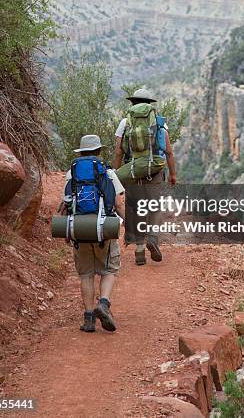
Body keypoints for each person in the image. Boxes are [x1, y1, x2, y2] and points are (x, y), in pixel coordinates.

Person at [59, 134, 125, 333]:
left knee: (86, 275)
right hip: (103, 229)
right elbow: (119, 203)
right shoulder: (107, 172)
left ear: (82, 152)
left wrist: (66, 230)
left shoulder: (72, 173)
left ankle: (89, 319)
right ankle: (103, 304)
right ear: (98, 151)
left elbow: (66, 202)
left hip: (79, 229)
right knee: (109, 269)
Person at [114, 88, 177, 265]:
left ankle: (140, 251)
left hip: (133, 171)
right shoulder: (159, 123)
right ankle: (153, 238)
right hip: (154, 171)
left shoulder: (125, 123)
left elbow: (118, 151)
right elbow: (169, 152)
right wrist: (172, 174)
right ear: (150, 104)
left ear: (132, 103)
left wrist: (115, 175)